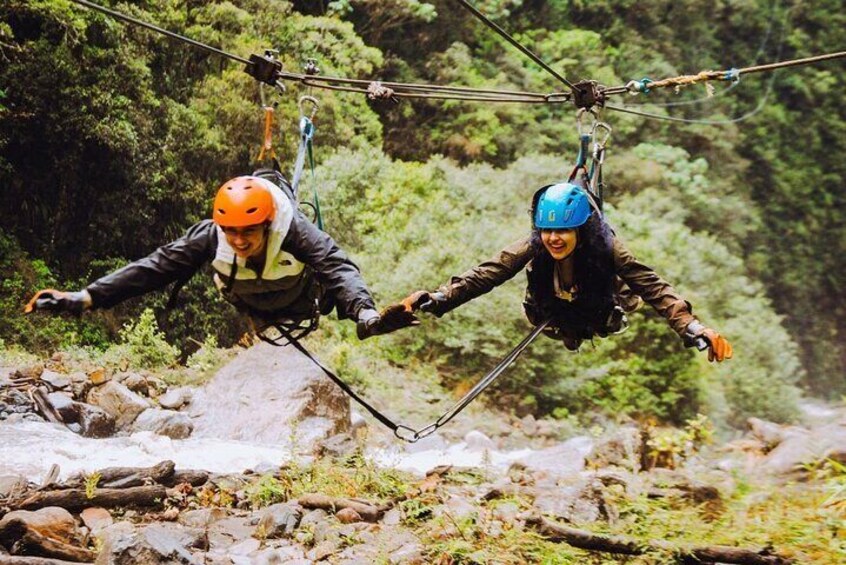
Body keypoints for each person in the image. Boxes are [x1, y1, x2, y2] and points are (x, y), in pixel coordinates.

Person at [25, 174, 415, 340]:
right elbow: (154, 268)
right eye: (232, 232)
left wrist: (366, 316)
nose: (239, 240)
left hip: (300, 300)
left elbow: (338, 267)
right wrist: (85, 298)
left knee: (329, 280)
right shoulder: (211, 237)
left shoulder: (293, 230)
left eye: (248, 231)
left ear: (267, 225)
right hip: (251, 301)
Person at [400, 182, 733, 362]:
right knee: (546, 300)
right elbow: (488, 273)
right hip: (552, 309)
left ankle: (580, 327)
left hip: (597, 306)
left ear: (580, 230)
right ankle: (567, 329)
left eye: (563, 232)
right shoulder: (535, 245)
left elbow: (654, 288)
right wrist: (441, 298)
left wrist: (692, 327)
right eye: (547, 230)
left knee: (606, 306)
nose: (553, 239)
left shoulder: (609, 249)